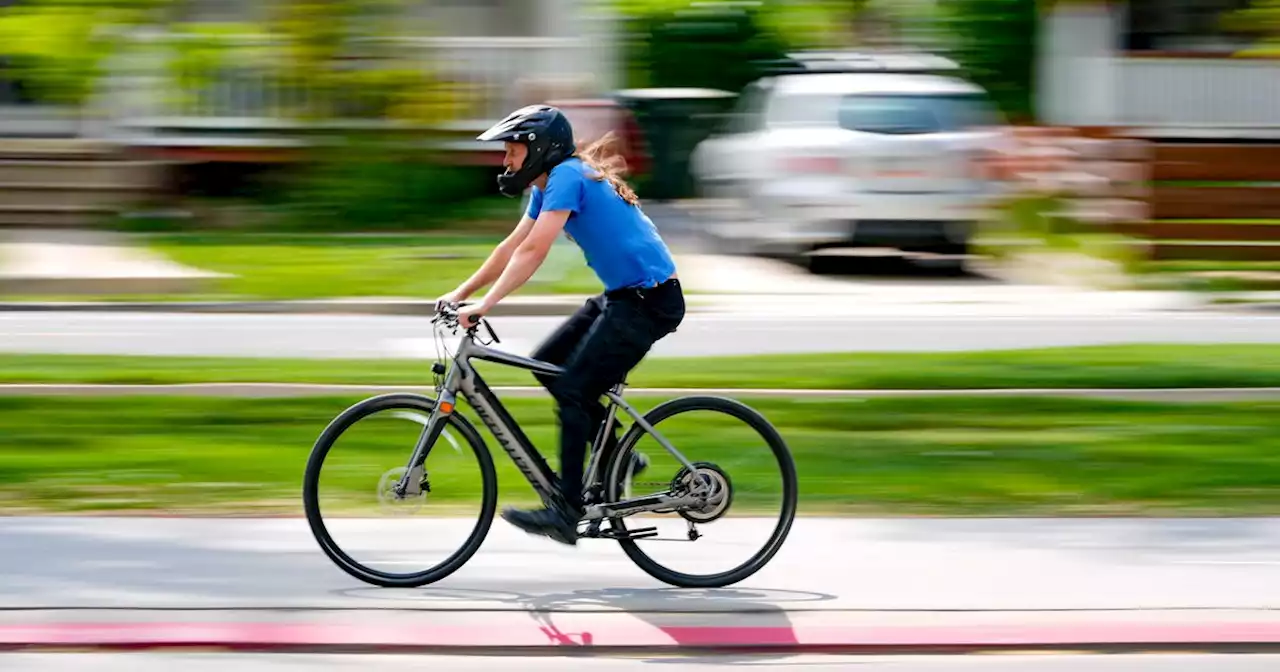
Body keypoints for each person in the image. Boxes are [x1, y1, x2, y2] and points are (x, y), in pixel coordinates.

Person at [435, 105, 685, 545]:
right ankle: (619, 458)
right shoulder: (548, 184)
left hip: (650, 302)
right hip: (623, 296)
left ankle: (566, 511)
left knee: (573, 389)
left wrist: (485, 306)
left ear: (538, 150)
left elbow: (534, 252)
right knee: (546, 363)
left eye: (511, 151)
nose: (506, 161)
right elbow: (511, 247)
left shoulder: (567, 177)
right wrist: (460, 294)